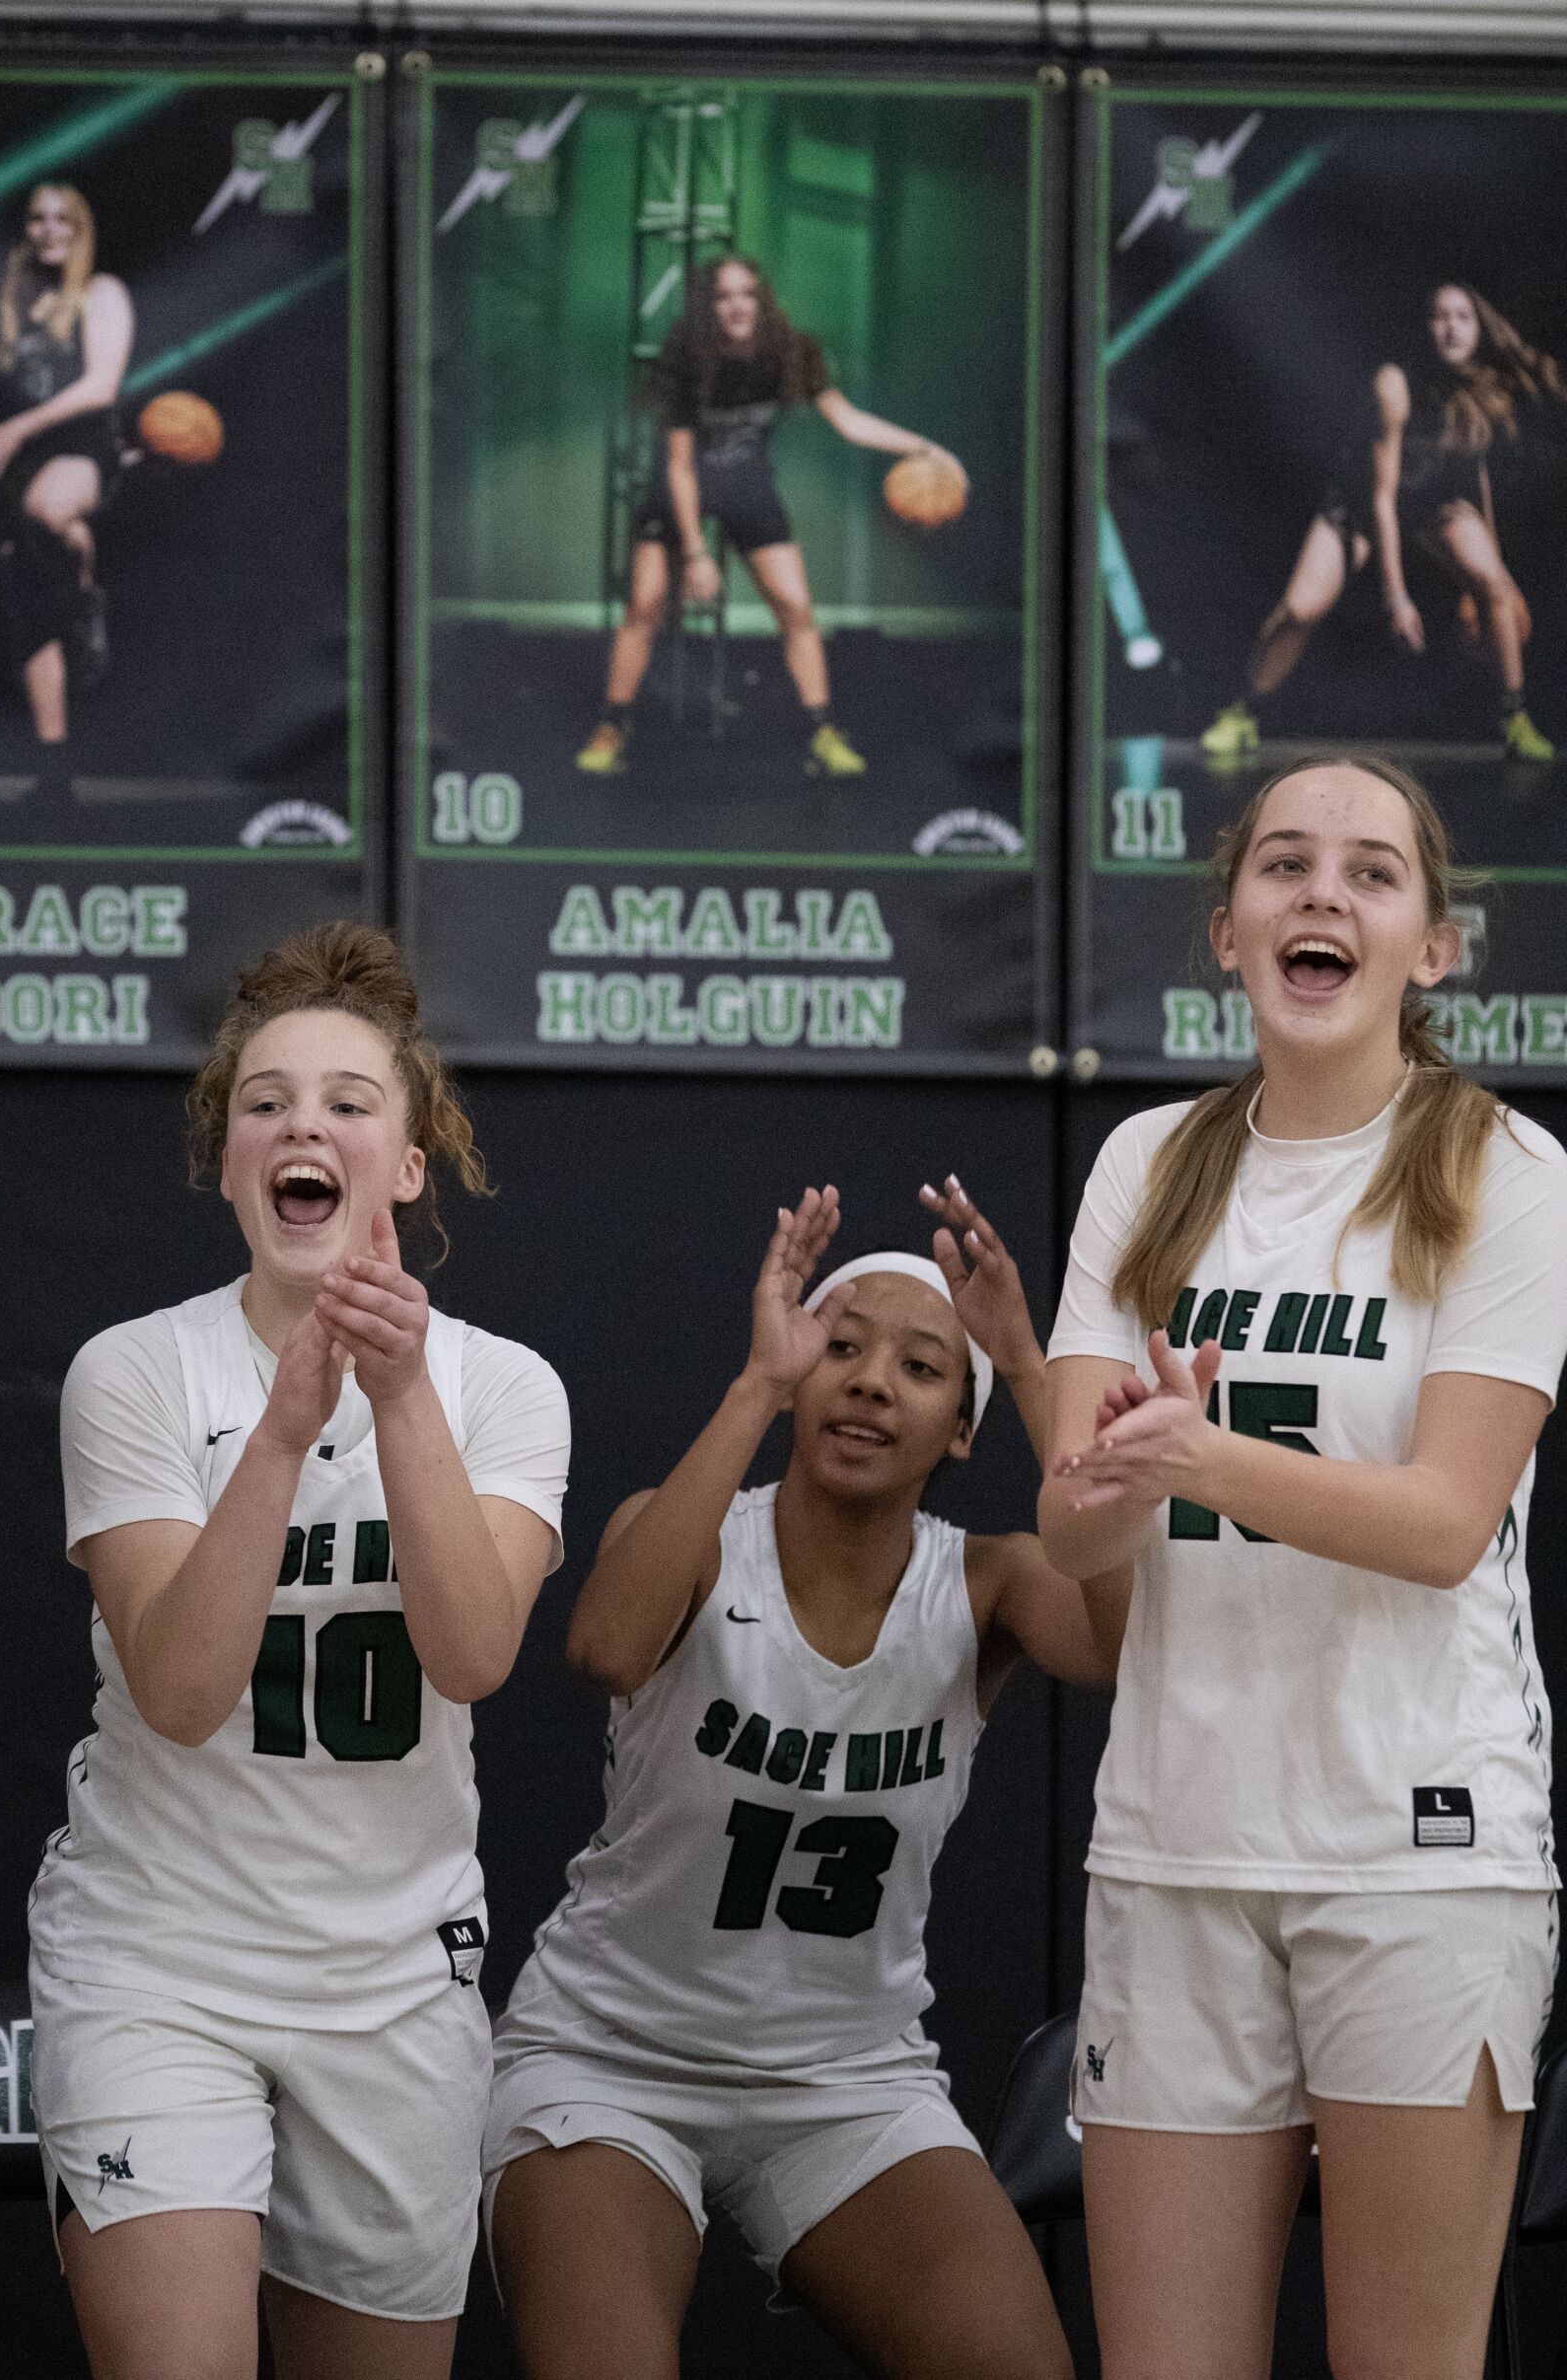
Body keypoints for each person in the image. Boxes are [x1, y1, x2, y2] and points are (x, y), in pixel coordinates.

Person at [1040, 753, 1567, 2380]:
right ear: (1229, 930)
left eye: (1371, 870)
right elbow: (1072, 1528)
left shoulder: (1506, 1168)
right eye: (1285, 863)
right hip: (1176, 1845)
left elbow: (1442, 1522)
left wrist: (1200, 1454)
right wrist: (1125, 1475)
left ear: (1434, 947)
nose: (1323, 891)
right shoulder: (1146, 1163)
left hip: (1415, 1854)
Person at [27, 922, 570, 2380]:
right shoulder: (134, 1370)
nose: (301, 1123)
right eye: (264, 1100)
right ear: (228, 1164)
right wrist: (282, 1426)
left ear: (406, 1162)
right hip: (161, 1955)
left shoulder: (502, 1386)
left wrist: (394, 1399)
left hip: (393, 1975)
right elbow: (183, 1688)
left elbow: (472, 1655)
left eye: (346, 1099)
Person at [483, 1180, 1126, 2380]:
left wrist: (1031, 1370)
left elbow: (1135, 1655)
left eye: (922, 1366)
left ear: (963, 1424)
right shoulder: (684, 1527)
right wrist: (752, 1385)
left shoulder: (987, 1583)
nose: (870, 1379)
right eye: (838, 1347)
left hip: (846, 2076)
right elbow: (603, 1648)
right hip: (608, 2057)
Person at [576, 255, 963, 780]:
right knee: (644, 602)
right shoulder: (685, 358)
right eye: (723, 296)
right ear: (708, 306)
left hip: (747, 484)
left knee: (796, 607)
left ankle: (822, 732)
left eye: (747, 294)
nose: (737, 306)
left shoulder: (792, 353)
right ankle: (611, 728)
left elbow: (847, 422)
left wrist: (926, 447)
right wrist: (695, 553)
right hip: (682, 485)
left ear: (763, 300)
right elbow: (680, 465)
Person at [1201, 284, 1565, 763]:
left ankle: (1515, 721)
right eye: (1440, 316)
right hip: (1364, 503)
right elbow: (1382, 499)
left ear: (1480, 328)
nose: (1451, 327)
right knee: (1299, 609)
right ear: (1425, 327)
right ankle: (1242, 712)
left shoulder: (1481, 387)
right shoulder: (1394, 383)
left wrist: (1496, 574)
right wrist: (1397, 598)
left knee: (1493, 584)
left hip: (1436, 503)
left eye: (1463, 317)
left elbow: (1478, 479)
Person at [0, 183, 134, 782]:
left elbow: (100, 386)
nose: (50, 228)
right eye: (38, 218)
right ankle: (52, 758)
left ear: (82, 228)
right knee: (26, 600)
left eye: (64, 218)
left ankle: (81, 570)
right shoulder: (14, 302)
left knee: (46, 508)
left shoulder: (102, 292)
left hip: (85, 451)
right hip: (21, 458)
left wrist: (14, 428)